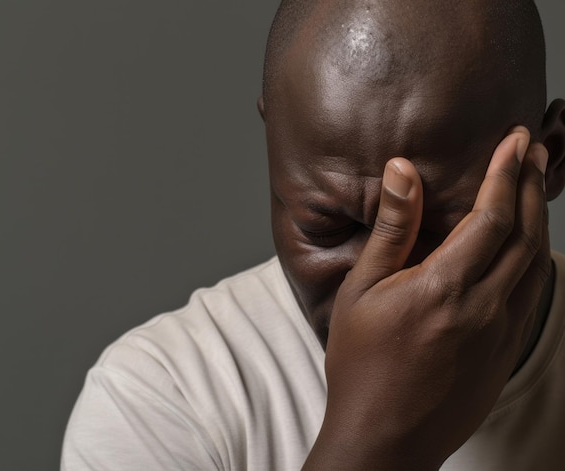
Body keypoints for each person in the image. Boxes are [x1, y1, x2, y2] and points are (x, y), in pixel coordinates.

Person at [61, 0, 565, 469]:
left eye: (439, 226)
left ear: (552, 160)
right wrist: (378, 440)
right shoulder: (164, 398)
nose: (376, 288)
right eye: (328, 226)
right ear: (272, 146)